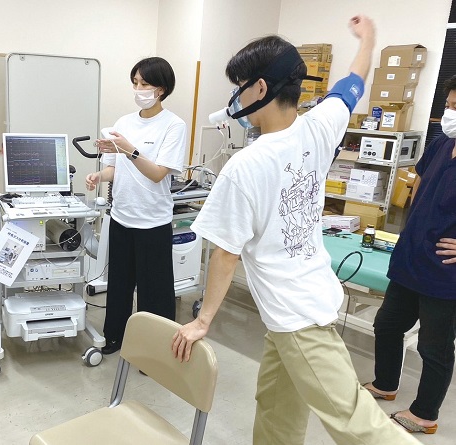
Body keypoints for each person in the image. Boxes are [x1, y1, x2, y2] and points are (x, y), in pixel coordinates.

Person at [171, 15, 421, 445]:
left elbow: (226, 253)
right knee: (276, 408)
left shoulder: (245, 166)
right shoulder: (319, 125)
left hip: (298, 318)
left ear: (260, 89)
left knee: (359, 424)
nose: (235, 96)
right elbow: (353, 82)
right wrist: (368, 39)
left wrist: (202, 320)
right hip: (297, 307)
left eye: (239, 86)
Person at [363, 75, 456, 435]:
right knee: (387, 324)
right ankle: (385, 383)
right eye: (449, 105)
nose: (449, 113)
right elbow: (418, 183)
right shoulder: (441, 143)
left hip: (444, 271)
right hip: (411, 257)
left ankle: (425, 414)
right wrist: (414, 226)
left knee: (434, 346)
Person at [86, 57, 187, 355]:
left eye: (145, 84)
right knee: (118, 284)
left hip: (153, 222)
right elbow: (114, 168)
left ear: (161, 89)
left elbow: (157, 174)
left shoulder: (173, 125)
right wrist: (98, 175)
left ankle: (153, 351)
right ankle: (115, 337)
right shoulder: (123, 123)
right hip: (122, 218)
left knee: (154, 291)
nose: (138, 89)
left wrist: (130, 149)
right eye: (135, 83)